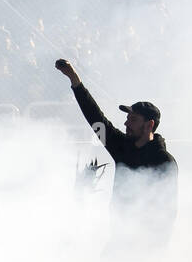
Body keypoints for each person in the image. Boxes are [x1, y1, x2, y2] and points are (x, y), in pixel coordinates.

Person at [54, 58, 177, 250]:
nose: (127, 124)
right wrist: (75, 81)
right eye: (127, 119)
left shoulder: (163, 161)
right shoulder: (120, 146)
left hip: (147, 248)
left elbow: (167, 212)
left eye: (133, 120)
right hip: (118, 243)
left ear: (149, 125)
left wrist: (156, 252)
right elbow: (97, 120)